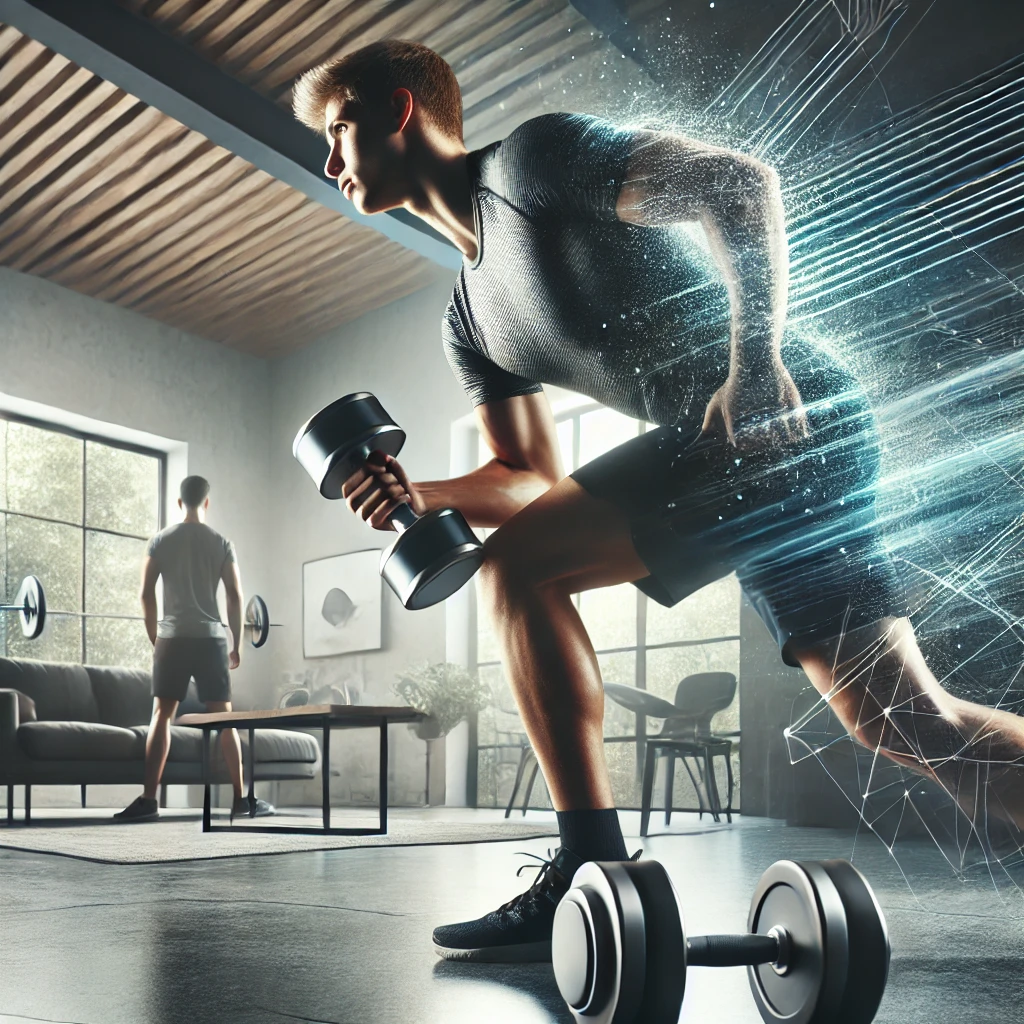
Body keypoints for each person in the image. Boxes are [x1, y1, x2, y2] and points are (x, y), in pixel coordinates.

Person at [291, 41, 1024, 961]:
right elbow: (524, 475)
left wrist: (753, 362)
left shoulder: (532, 163)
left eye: (339, 129)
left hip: (784, 415)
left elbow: (736, 183)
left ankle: (587, 868)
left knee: (518, 571)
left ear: (400, 111)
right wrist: (418, 490)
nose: (330, 161)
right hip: (743, 458)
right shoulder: (467, 320)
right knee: (907, 721)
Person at [115, 476, 273, 822]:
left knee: (161, 716)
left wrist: (155, 637)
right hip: (210, 639)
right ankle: (239, 800)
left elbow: (145, 593)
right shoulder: (220, 543)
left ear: (179, 502)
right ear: (206, 502)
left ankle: (148, 800)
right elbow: (234, 594)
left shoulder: (160, 541)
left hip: (172, 638)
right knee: (224, 719)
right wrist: (237, 643)